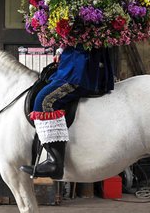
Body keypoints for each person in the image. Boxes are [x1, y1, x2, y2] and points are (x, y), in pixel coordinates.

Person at [19, 45, 114, 179]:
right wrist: (61, 50)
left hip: (78, 69)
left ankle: (55, 164)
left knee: (44, 101)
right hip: (71, 63)